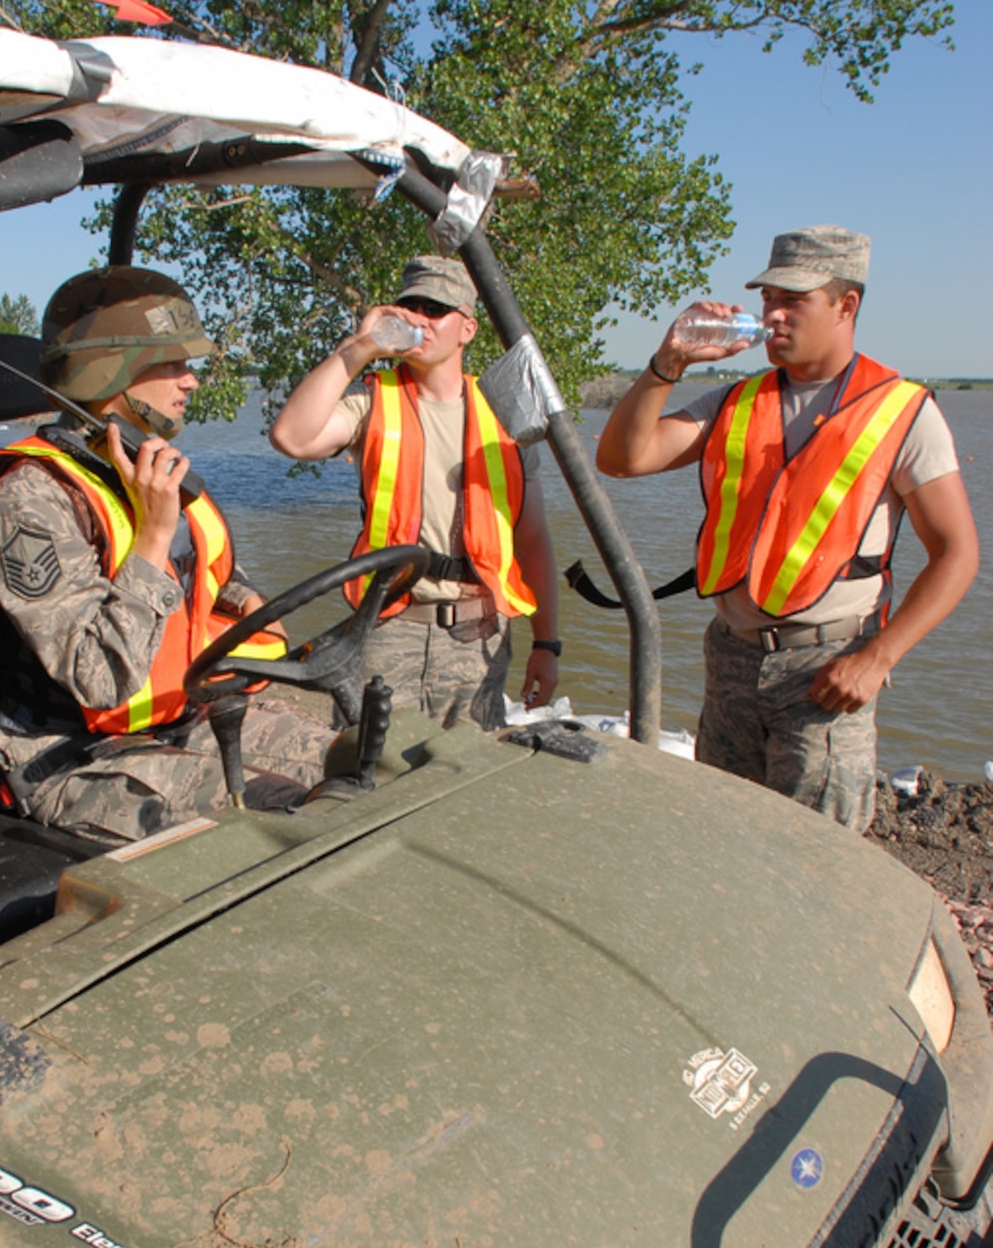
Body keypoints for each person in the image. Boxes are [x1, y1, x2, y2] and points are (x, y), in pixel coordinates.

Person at [596, 226, 979, 831]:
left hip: (827, 671)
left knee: (815, 862)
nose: (772, 314)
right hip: (731, 659)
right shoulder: (735, 402)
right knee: (720, 841)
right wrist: (668, 361)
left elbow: (956, 554)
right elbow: (622, 459)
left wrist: (878, 657)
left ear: (846, 305)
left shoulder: (903, 411)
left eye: (793, 300)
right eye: (769, 297)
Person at [0, 267, 335, 843]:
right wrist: (154, 537)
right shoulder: (29, 499)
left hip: (180, 719)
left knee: (358, 761)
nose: (192, 381)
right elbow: (99, 677)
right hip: (67, 757)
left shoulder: (141, 469)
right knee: (279, 818)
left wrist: (249, 601)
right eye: (174, 364)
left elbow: (210, 578)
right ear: (114, 370)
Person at [269, 255, 560, 729]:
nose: (419, 319)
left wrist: (547, 645)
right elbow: (291, 438)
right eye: (410, 307)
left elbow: (533, 540)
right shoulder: (371, 400)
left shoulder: (507, 412)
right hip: (387, 630)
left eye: (435, 309)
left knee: (463, 781)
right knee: (368, 774)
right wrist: (360, 347)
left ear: (467, 328)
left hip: (479, 637)